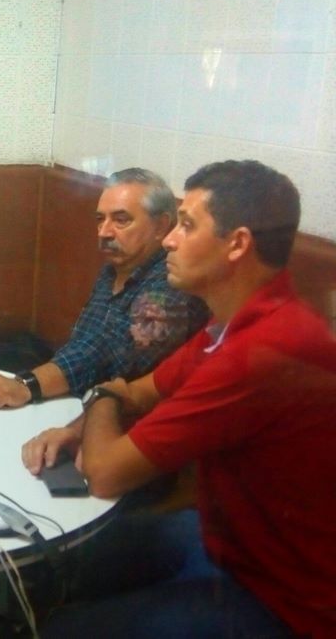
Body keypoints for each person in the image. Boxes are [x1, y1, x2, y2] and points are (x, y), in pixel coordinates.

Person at [28, 161, 336, 637]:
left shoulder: (263, 351)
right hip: (223, 539)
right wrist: (77, 428)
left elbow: (106, 472)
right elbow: (139, 391)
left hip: (279, 597)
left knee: (67, 630)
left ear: (237, 244)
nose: (169, 240)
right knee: (63, 564)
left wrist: (100, 394)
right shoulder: (232, 324)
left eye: (187, 225)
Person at [0, 167, 208, 409]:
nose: (104, 232)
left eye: (121, 220)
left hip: (131, 419)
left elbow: (112, 355)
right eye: (100, 219)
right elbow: (84, 343)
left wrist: (27, 385)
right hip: (83, 403)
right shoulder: (113, 270)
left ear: (161, 226)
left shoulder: (172, 283)